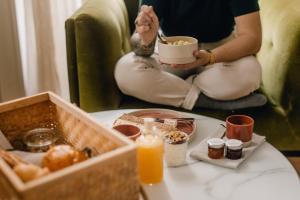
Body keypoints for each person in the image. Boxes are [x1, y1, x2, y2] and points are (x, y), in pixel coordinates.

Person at [114, 0, 267, 110]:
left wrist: (209, 57)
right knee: (125, 69)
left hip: (219, 52)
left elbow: (252, 38)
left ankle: (177, 88)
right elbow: (139, 45)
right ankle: (206, 100)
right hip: (170, 50)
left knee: (250, 71)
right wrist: (146, 40)